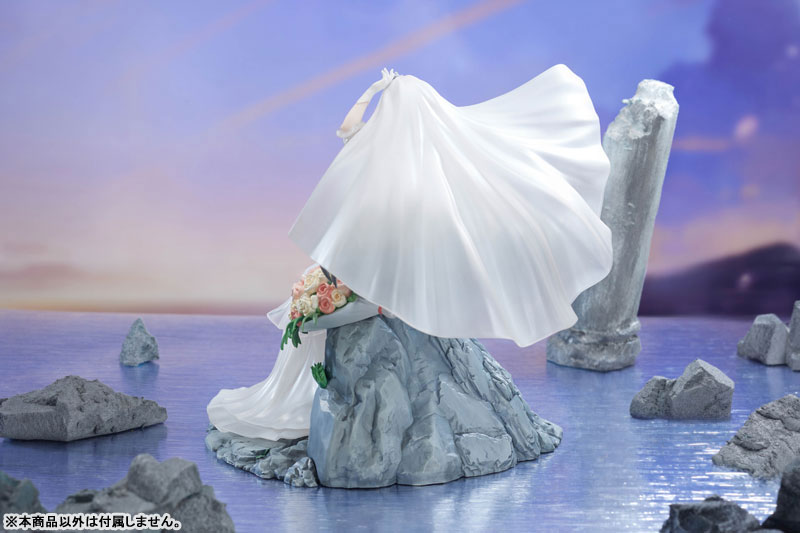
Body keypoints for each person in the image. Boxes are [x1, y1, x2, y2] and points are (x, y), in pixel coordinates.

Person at [207, 65, 612, 441]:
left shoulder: (388, 160)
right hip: (364, 276)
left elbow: (347, 129)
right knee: (314, 312)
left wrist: (373, 91)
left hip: (372, 282)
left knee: (319, 319)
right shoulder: (417, 168)